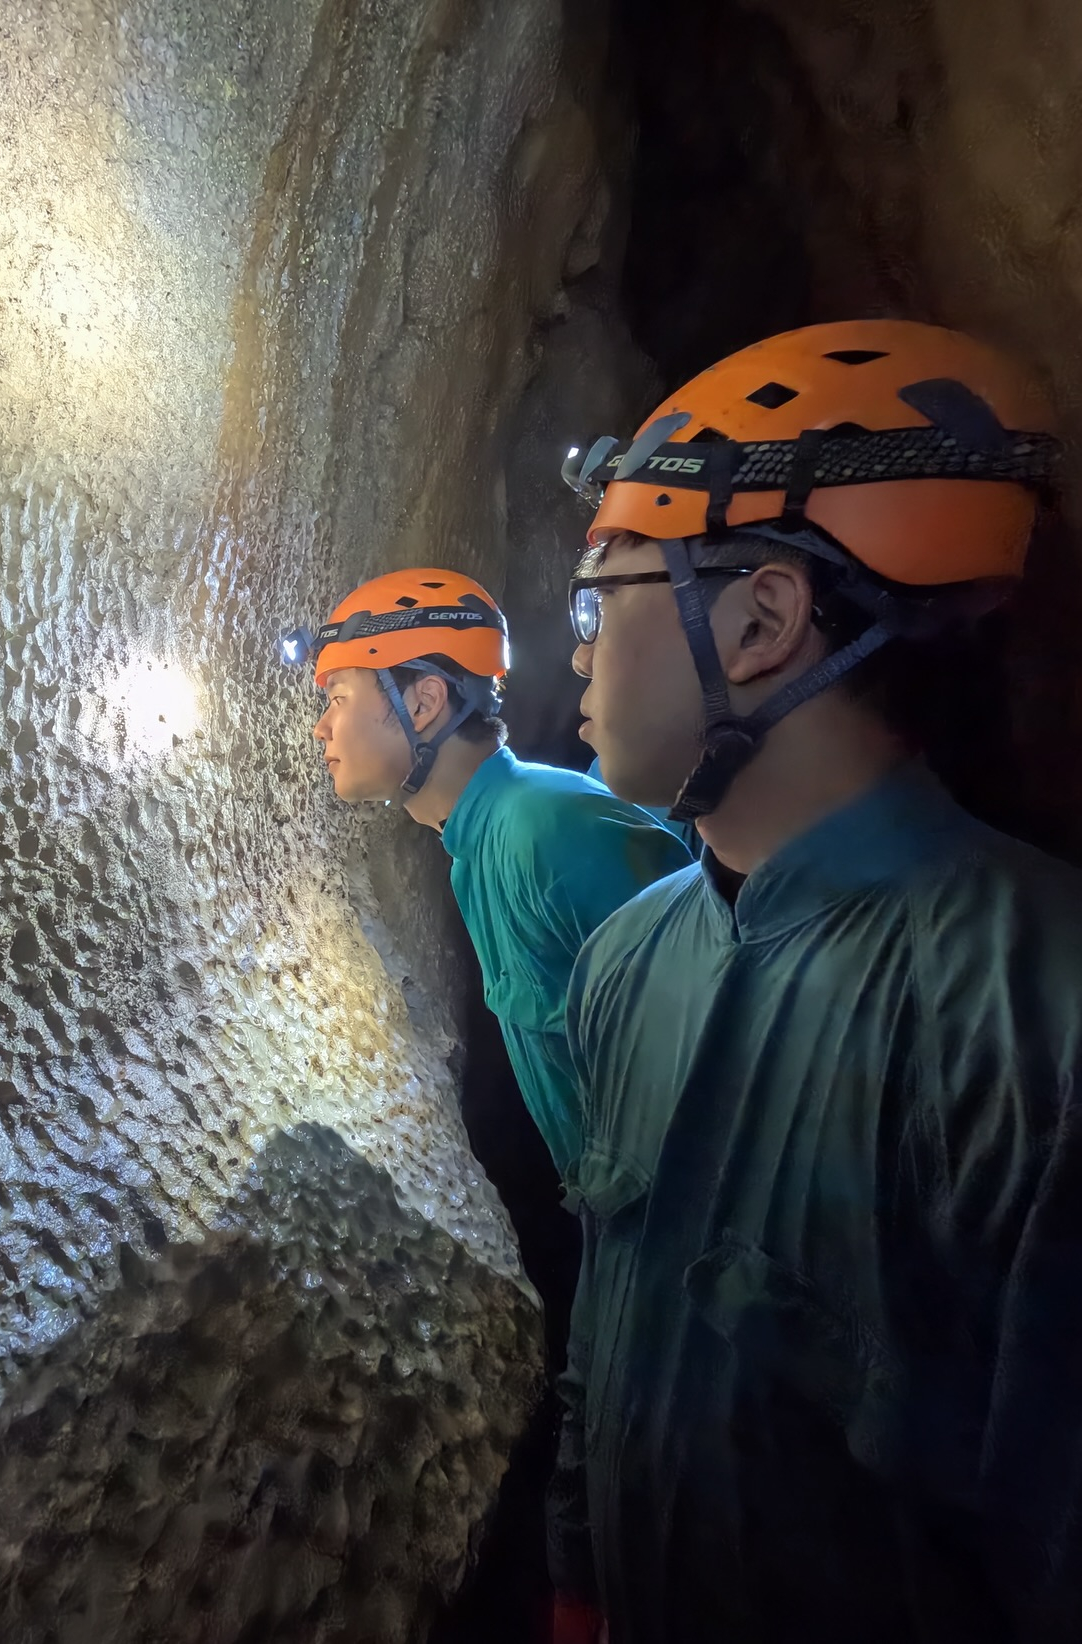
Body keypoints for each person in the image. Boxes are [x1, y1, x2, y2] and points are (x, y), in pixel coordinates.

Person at [549, 318, 1082, 1644]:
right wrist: (578, 1582)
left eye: (596, 600)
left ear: (760, 618)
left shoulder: (1036, 1008)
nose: (573, 656)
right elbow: (611, 1309)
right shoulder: (628, 958)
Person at [290, 568, 691, 1642]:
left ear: (423, 702)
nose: (322, 727)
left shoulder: (542, 832)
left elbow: (724, 1019)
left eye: (337, 697)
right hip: (629, 1252)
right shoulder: (479, 842)